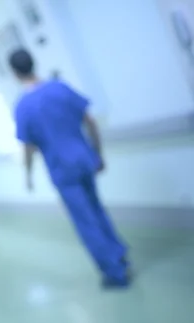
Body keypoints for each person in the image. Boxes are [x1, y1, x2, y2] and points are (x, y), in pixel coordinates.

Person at [8, 48, 130, 288]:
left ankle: (115, 273)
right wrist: (98, 153)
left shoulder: (23, 107)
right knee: (96, 209)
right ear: (34, 63)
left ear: (14, 73)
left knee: (85, 220)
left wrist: (28, 175)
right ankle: (118, 252)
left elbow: (28, 148)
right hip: (84, 159)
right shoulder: (60, 88)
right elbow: (90, 121)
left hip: (62, 170)